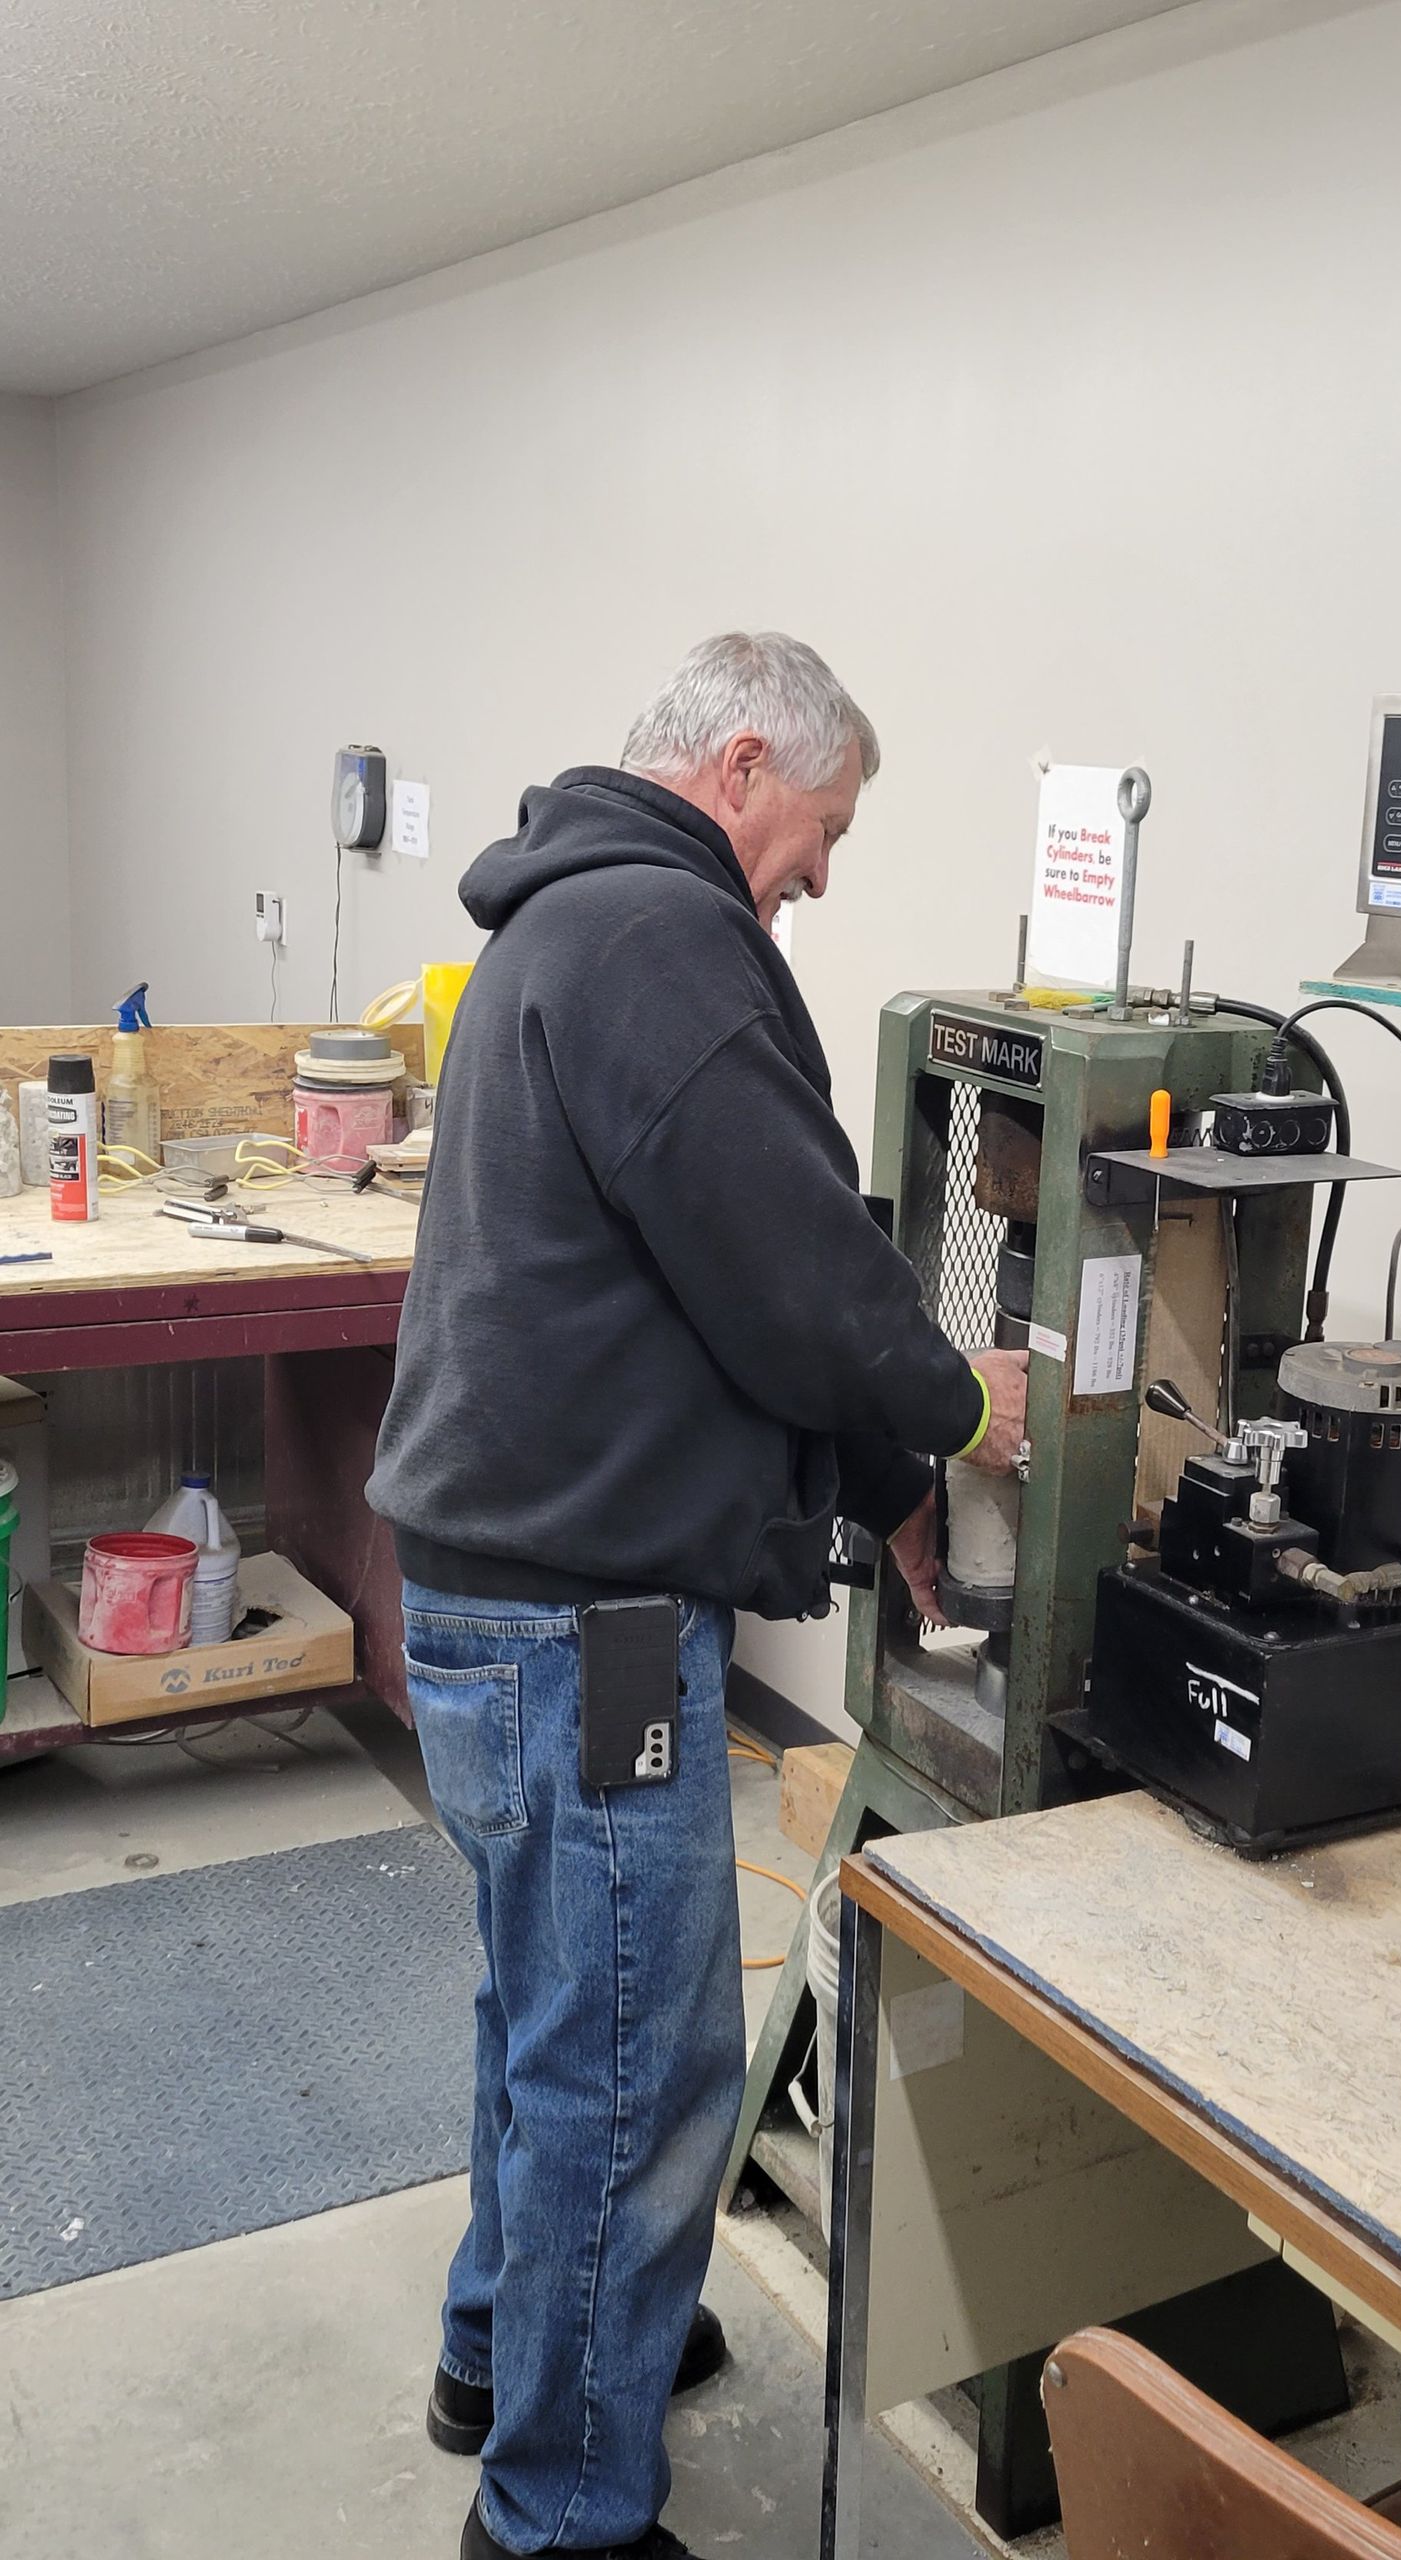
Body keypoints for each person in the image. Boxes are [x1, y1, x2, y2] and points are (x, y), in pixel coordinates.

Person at [367, 632, 1027, 2560]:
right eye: (823, 829)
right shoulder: (662, 940)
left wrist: (881, 1488)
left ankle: (512, 2351)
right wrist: (963, 1409)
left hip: (496, 1600)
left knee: (544, 2014)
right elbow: (799, 1274)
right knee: (639, 2068)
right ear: (743, 765)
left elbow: (702, 1284)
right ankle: (560, 2512)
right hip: (594, 1625)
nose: (820, 873)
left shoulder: (565, 922)